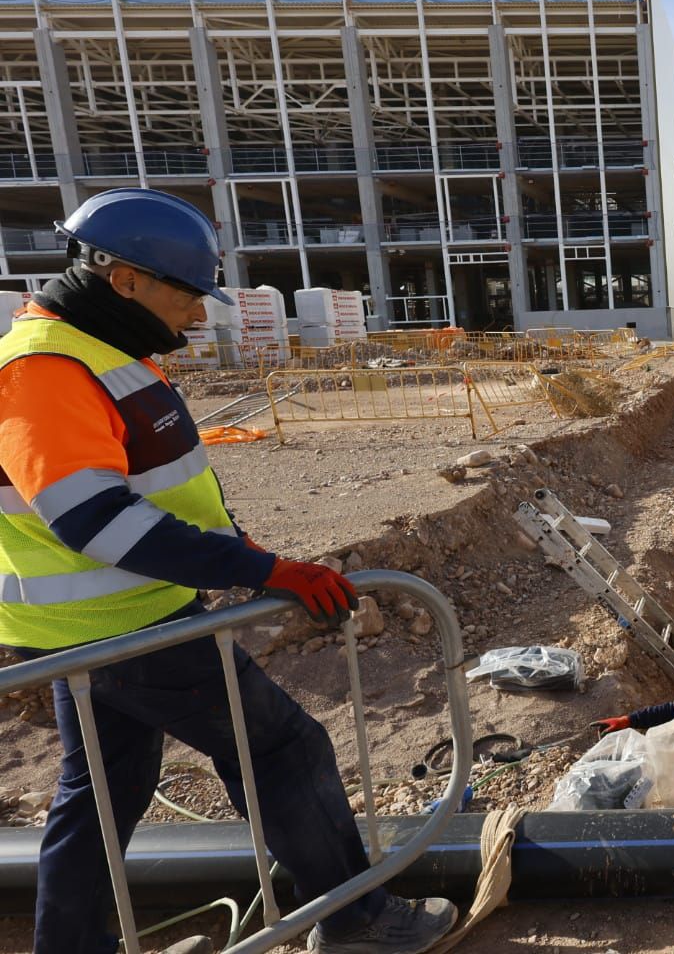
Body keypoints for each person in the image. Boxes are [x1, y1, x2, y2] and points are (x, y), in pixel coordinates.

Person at [0, 188, 457, 954]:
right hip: (128, 625)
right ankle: (355, 921)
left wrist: (236, 549)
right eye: (187, 295)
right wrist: (261, 568)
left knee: (103, 799)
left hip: (110, 625)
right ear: (125, 281)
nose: (197, 315)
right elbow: (95, 520)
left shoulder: (103, 353)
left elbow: (157, 479)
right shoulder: (44, 370)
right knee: (284, 749)